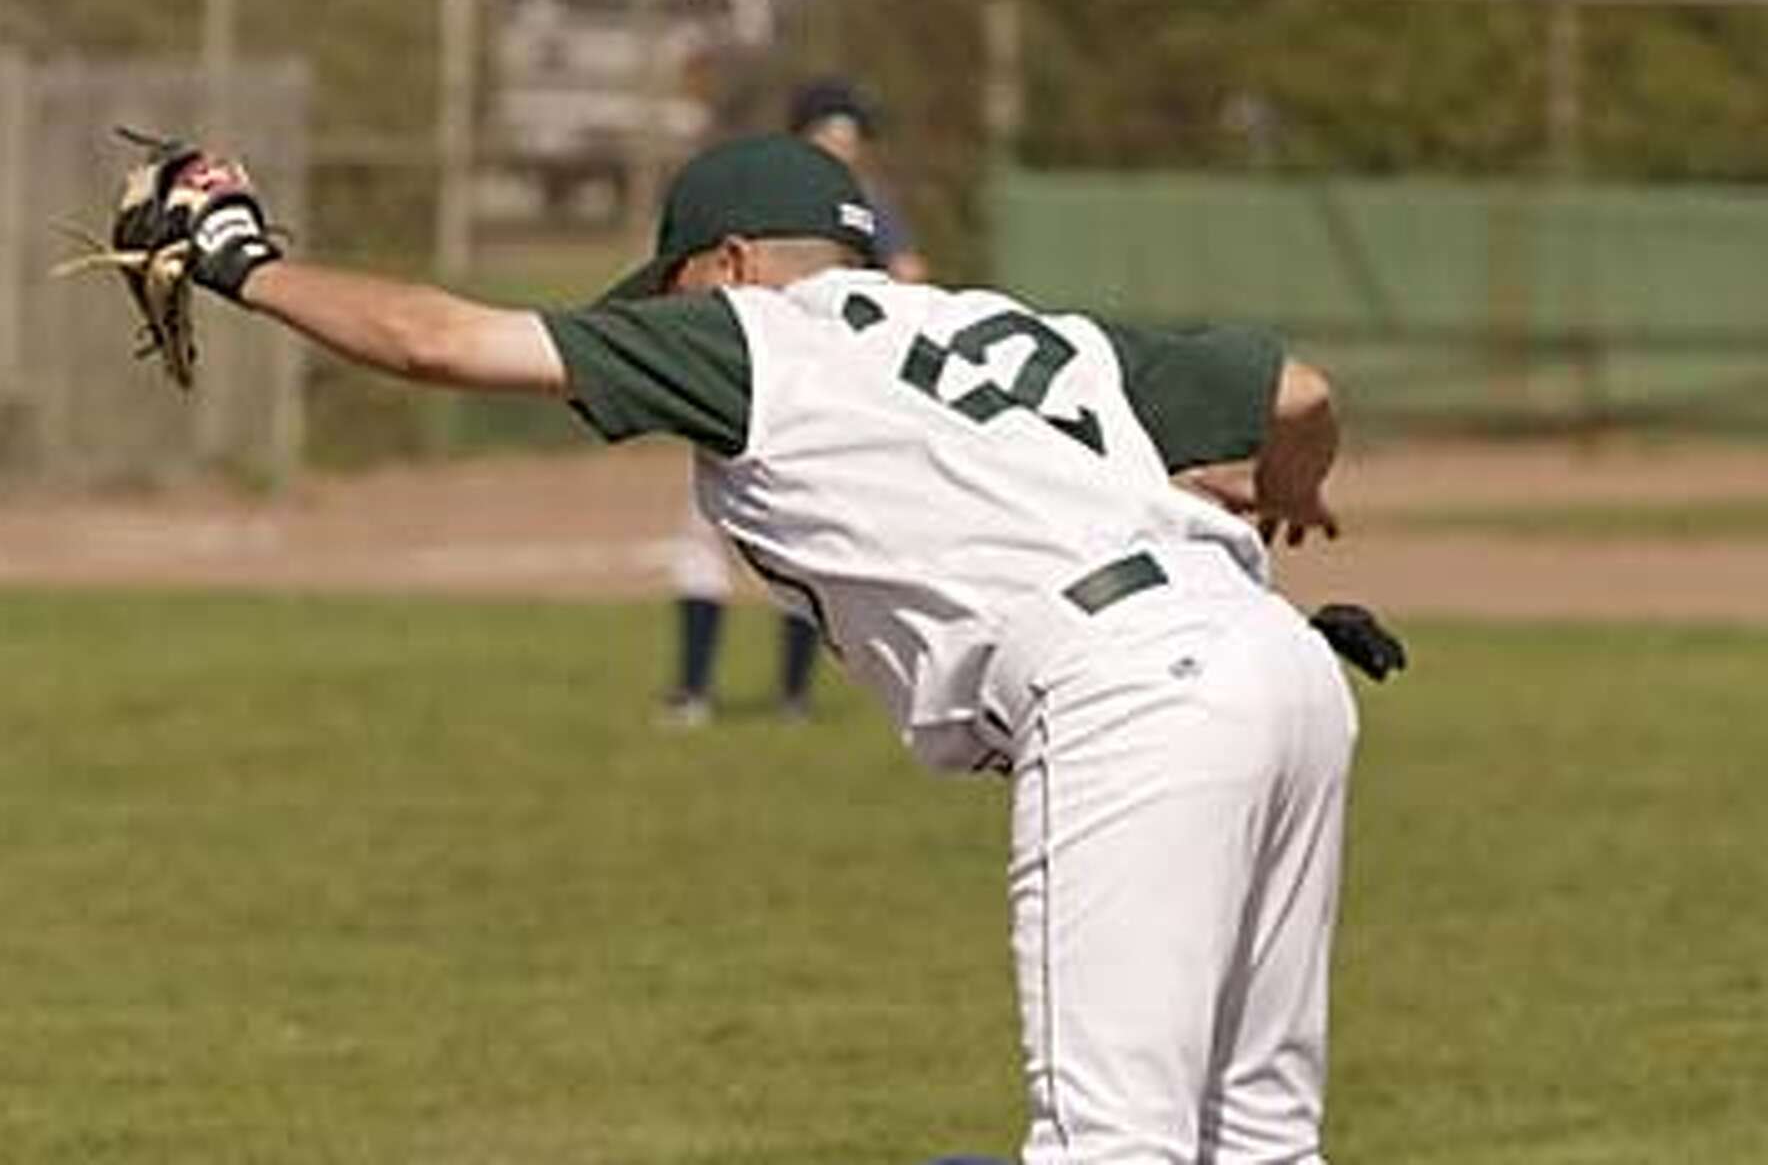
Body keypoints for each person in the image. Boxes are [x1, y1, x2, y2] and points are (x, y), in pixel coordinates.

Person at [156, 133, 1372, 1163]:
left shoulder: (754, 333)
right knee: (1262, 1143)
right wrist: (1285, 491)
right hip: (1282, 666)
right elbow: (1299, 389)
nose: (666, 316)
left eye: (673, 284)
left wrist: (238, 261)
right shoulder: (1012, 326)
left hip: (1132, 697)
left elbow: (441, 341)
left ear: (730, 264)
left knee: (1113, 1146)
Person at [662, 76, 928, 727]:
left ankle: (791, 695)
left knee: (805, 537)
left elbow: (912, 275)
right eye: (830, 134)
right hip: (745, 384)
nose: (843, 148)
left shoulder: (866, 203)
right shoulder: (771, 199)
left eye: (850, 137)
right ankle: (696, 691)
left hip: (822, 398)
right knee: (705, 537)